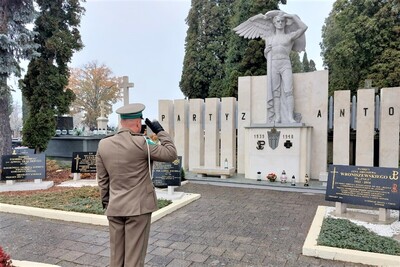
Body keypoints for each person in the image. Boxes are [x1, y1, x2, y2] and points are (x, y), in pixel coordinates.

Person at [96, 103, 177, 267]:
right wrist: (159, 131)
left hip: (115, 207)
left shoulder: (103, 144)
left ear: (121, 121)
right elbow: (171, 153)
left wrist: (107, 203)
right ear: (138, 123)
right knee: (134, 260)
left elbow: (103, 180)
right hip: (138, 209)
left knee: (116, 259)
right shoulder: (143, 143)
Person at [234, 10, 308, 123]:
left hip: (285, 63)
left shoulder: (289, 37)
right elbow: (267, 53)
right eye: (277, 21)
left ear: (284, 22)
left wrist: (292, 16)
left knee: (288, 90)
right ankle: (277, 117)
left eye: (282, 21)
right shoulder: (270, 38)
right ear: (274, 22)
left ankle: (290, 117)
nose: (280, 23)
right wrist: (265, 51)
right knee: (276, 92)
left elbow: (304, 28)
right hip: (274, 64)